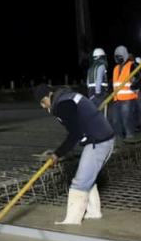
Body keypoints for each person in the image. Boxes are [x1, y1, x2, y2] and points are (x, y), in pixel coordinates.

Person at [33, 84, 115, 225]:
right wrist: (59, 152)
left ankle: (72, 220)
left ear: (48, 96)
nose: (43, 106)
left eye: (42, 102)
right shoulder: (67, 98)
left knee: (79, 183)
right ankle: (94, 212)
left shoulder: (62, 105)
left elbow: (75, 134)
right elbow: (78, 130)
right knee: (87, 177)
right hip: (103, 139)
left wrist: (57, 154)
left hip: (98, 142)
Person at [110, 45, 138, 140]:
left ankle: (130, 136)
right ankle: (118, 137)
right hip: (117, 99)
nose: (117, 59)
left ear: (124, 56)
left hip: (128, 99)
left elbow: (140, 78)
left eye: (119, 57)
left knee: (126, 119)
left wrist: (134, 84)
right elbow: (115, 83)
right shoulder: (116, 68)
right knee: (115, 120)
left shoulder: (132, 66)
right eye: (116, 57)